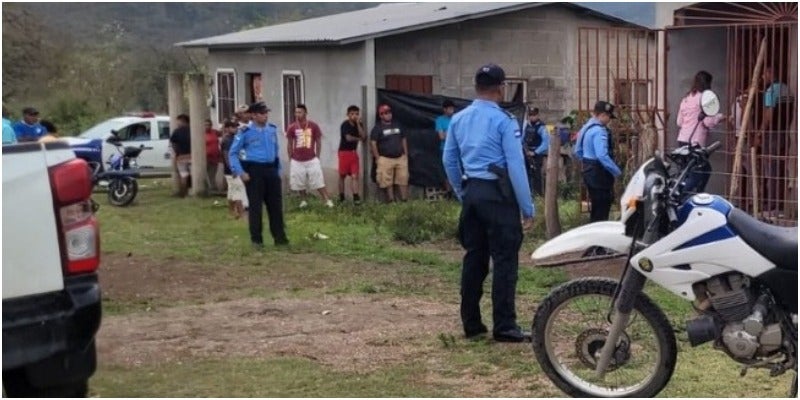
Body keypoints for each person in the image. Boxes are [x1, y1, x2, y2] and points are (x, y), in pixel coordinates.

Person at [443, 63, 534, 343]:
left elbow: (449, 160)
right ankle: (504, 326)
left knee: (474, 258)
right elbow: (516, 166)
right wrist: (527, 207)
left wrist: (462, 191)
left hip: (472, 191)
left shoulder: (459, 119)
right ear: (501, 88)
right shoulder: (504, 121)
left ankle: (471, 322)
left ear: (476, 87)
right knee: (504, 261)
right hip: (498, 195)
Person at [228, 102, 289, 249]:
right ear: (254, 115)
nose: (265, 116)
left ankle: (280, 238)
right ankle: (257, 240)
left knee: (275, 206)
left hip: (271, 169)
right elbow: (233, 153)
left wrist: (277, 171)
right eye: (262, 113)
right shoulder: (245, 132)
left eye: (266, 113)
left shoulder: (271, 129)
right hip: (255, 171)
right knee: (256, 207)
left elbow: (276, 150)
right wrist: (240, 172)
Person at [675, 70, 725, 194]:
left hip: (682, 141)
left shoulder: (686, 99)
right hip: (695, 143)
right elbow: (708, 122)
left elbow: (679, 122)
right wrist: (720, 117)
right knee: (702, 171)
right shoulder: (705, 98)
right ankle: (686, 195)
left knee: (686, 173)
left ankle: (688, 195)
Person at [574, 101, 622, 222]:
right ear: (602, 115)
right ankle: (599, 232)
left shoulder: (586, 127)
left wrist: (587, 162)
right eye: (609, 117)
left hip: (589, 170)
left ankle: (593, 229)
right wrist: (616, 171)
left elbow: (577, 151)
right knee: (602, 208)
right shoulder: (600, 131)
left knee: (596, 207)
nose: (609, 120)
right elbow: (602, 156)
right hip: (599, 173)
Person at [758, 66, 793, 218]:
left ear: (770, 73)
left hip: (772, 135)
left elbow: (769, 115)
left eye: (764, 74)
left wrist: (760, 132)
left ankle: (772, 205)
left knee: (770, 169)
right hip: (784, 133)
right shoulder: (787, 90)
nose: (762, 77)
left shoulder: (771, 91)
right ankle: (780, 205)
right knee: (781, 169)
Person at [286, 104, 334, 208]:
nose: (297, 114)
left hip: (311, 159)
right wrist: (290, 157)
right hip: (297, 160)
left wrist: (317, 156)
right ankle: (303, 200)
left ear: (305, 113)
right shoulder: (292, 127)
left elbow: (318, 141)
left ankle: (327, 200)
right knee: (299, 181)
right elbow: (289, 143)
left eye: (300, 112)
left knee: (318, 180)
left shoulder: (313, 126)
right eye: (296, 112)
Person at [370, 104, 409, 202]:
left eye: (389, 112)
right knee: (387, 181)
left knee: (403, 179)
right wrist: (377, 158)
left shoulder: (397, 125)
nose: (388, 115)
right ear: (381, 115)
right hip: (385, 158)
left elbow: (403, 138)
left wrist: (405, 153)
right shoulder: (377, 128)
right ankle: (391, 200)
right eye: (385, 113)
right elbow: (373, 143)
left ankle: (404, 200)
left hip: (400, 157)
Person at [220, 120, 248, 219]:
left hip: (235, 168)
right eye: (233, 127)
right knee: (239, 190)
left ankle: (231, 212)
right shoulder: (227, 140)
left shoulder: (235, 138)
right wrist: (233, 169)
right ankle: (241, 213)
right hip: (232, 170)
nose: (235, 129)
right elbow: (227, 156)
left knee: (232, 191)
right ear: (227, 128)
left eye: (236, 127)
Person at [338, 105, 365, 204]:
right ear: (348, 114)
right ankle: (341, 197)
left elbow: (364, 136)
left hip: (353, 153)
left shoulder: (359, 124)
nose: (354, 116)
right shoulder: (345, 125)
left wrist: (358, 124)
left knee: (355, 176)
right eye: (352, 114)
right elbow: (348, 138)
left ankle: (356, 198)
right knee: (342, 175)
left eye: (357, 114)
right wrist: (359, 139)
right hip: (344, 152)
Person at [522, 108, 549, 197]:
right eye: (530, 115)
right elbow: (522, 139)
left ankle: (538, 196)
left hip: (536, 154)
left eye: (534, 115)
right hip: (526, 152)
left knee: (536, 175)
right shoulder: (526, 125)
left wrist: (535, 152)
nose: (532, 117)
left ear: (538, 115)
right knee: (526, 175)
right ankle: (528, 194)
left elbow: (546, 143)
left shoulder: (541, 127)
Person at [435, 99, 456, 194]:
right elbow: (441, 137)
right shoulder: (440, 120)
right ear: (445, 109)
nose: (452, 111)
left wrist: (447, 132)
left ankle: (457, 191)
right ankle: (449, 191)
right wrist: (452, 132)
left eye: (453, 108)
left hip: (457, 149)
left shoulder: (456, 118)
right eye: (450, 109)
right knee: (445, 171)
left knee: (457, 169)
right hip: (445, 149)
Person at [169, 114, 192, 197]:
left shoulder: (176, 131)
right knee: (193, 175)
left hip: (181, 157)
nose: (177, 123)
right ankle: (192, 191)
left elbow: (172, 144)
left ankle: (183, 193)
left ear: (183, 121)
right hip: (192, 156)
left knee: (183, 175)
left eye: (178, 121)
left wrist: (175, 154)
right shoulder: (193, 130)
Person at [204, 119, 222, 192]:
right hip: (206, 157)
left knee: (212, 173)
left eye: (209, 125)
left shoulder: (214, 132)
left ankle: (213, 188)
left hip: (215, 156)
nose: (207, 126)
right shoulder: (200, 133)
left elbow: (222, 133)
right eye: (205, 125)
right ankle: (208, 188)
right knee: (205, 173)